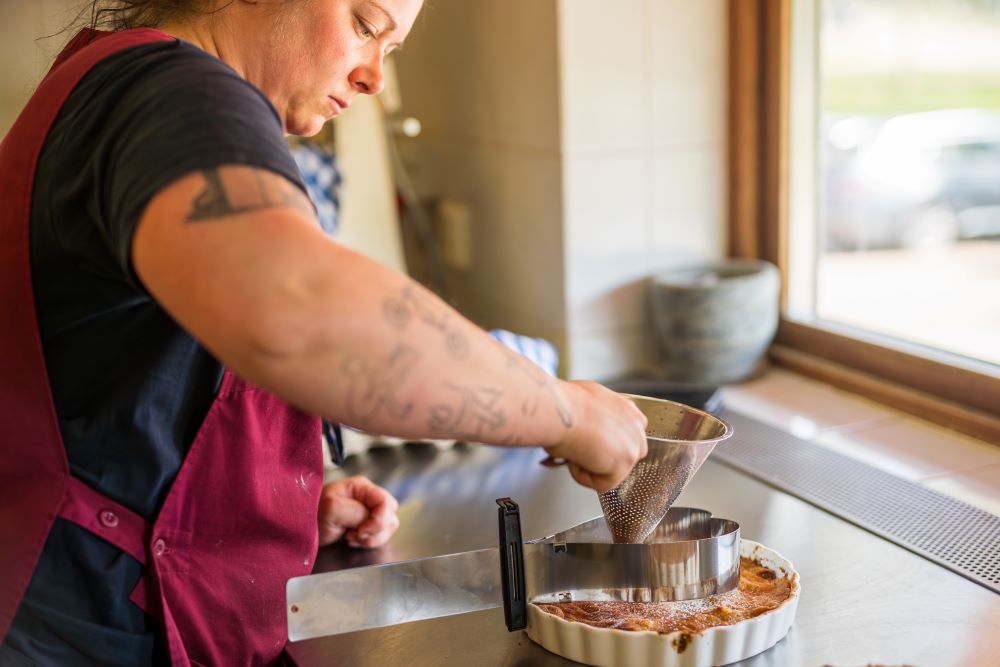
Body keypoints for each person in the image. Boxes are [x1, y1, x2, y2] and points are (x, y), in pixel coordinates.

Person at [0, 0, 649, 664]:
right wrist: (564, 411)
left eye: (389, 50)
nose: (375, 79)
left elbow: (120, 388)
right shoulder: (173, 93)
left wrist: (257, 506)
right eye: (365, 26)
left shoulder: (118, 84)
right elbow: (298, 313)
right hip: (85, 623)